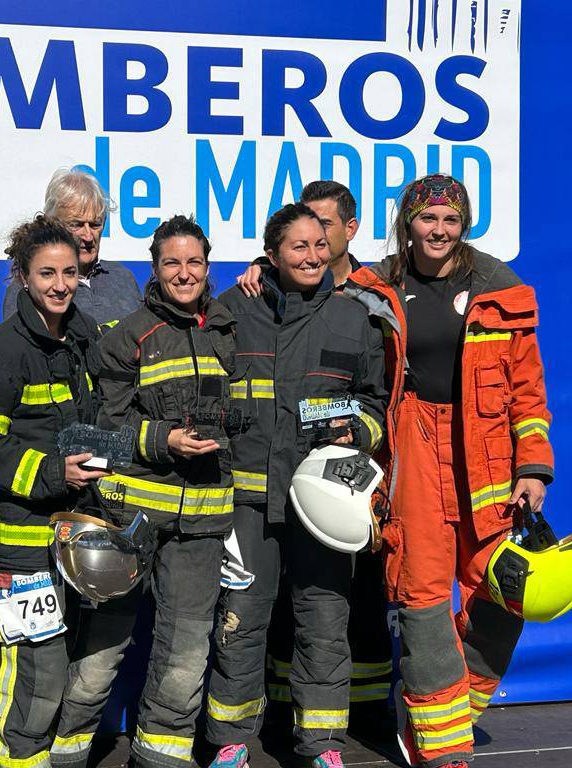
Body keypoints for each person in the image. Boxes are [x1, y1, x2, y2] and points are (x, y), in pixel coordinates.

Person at [344, 174, 554, 768]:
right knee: (425, 592)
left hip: (483, 456)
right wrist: (260, 269)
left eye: (451, 221)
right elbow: (309, 263)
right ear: (407, 223)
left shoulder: (500, 289)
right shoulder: (373, 287)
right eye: (427, 219)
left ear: (464, 225)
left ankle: (444, 711)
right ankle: (442, 748)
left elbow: (527, 391)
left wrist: (534, 466)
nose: (438, 231)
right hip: (411, 446)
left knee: (510, 591)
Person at [205, 204, 388, 768]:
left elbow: (376, 406)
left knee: (325, 624)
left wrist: (355, 427)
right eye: (298, 248)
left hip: (321, 501)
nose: (312, 257)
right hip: (249, 500)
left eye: (319, 245)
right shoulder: (234, 308)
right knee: (240, 621)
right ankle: (231, 741)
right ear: (272, 255)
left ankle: (323, 747)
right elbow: (203, 387)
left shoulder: (355, 318)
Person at [51, 215, 236, 768]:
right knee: (103, 645)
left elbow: (246, 416)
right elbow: (106, 422)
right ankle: (69, 749)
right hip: (131, 516)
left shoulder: (230, 330)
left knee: (185, 650)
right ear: (155, 268)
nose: (185, 273)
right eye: (172, 262)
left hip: (203, 521)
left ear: (208, 266)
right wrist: (163, 440)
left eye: (195, 262)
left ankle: (160, 755)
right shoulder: (128, 335)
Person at [0, 216, 107, 768]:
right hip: (18, 537)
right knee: (34, 669)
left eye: (69, 272)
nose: (60, 284)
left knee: (45, 663)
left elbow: (90, 422)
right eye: (47, 273)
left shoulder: (85, 335)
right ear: (23, 276)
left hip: (70, 532)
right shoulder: (1, 352)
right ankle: (17, 760)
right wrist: (53, 474)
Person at [2, 169, 141, 327]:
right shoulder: (29, 287)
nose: (88, 236)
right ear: (53, 223)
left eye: (95, 224)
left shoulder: (122, 277)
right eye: (76, 225)